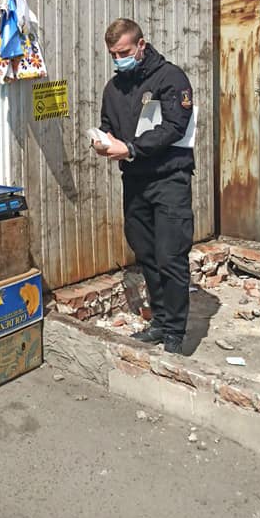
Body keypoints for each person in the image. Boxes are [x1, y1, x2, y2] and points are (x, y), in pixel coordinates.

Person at [93, 19, 195, 355]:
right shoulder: (114, 88)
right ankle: (160, 322)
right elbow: (109, 127)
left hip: (169, 179)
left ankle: (176, 333)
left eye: (123, 52)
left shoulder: (171, 78)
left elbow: (173, 127)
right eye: (113, 54)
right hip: (135, 182)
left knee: (171, 255)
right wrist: (103, 143)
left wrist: (132, 149)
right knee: (147, 255)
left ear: (141, 45)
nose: (118, 58)